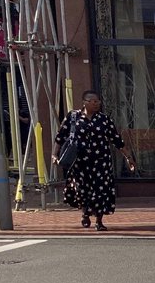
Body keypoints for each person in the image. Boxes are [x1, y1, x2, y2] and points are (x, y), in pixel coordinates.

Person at [53, 90, 135, 231]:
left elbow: (117, 140)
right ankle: (85, 212)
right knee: (82, 189)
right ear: (84, 102)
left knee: (101, 190)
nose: (96, 104)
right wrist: (54, 154)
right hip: (80, 162)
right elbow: (60, 137)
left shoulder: (104, 119)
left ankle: (99, 220)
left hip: (101, 161)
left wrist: (128, 157)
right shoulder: (73, 117)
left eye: (98, 101)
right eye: (93, 101)